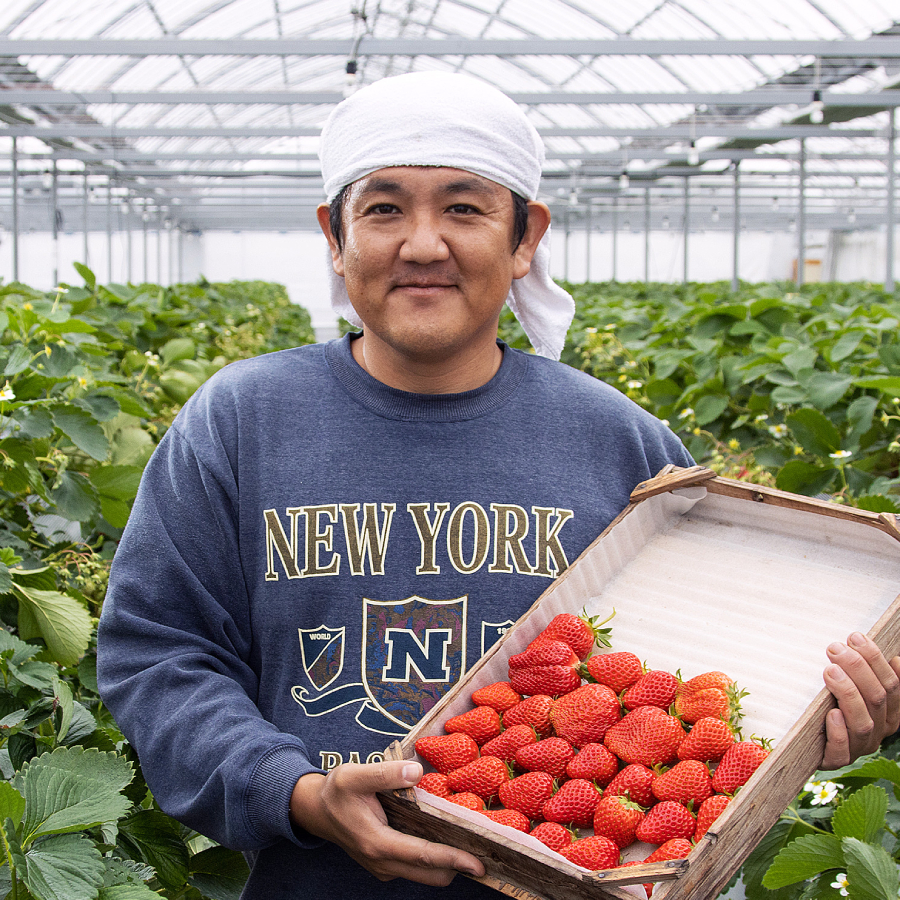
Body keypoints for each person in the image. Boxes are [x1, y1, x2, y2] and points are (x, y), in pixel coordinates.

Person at [96, 71, 900, 900]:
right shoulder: (239, 422)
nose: (422, 244)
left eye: (464, 207)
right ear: (334, 237)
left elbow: (716, 670)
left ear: (526, 238)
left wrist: (813, 720)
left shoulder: (617, 441)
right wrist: (293, 790)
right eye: (383, 208)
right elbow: (160, 650)